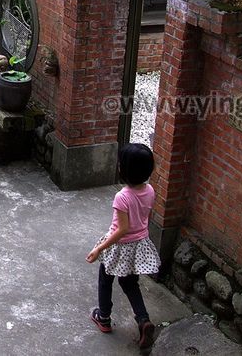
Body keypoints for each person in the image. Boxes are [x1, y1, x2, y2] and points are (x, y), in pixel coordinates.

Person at [87, 143, 161, 349]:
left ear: (124, 170)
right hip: (139, 245)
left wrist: (100, 248)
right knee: (129, 283)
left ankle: (103, 318)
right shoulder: (150, 190)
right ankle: (143, 320)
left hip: (119, 246)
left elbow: (121, 229)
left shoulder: (122, 197)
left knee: (105, 279)